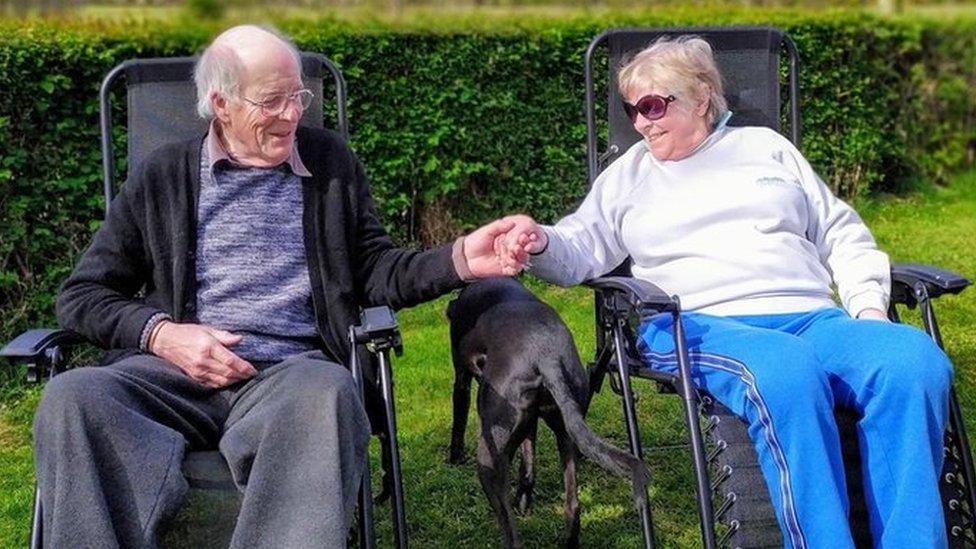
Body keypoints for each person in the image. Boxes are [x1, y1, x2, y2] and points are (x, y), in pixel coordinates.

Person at [34, 25, 518, 549]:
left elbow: (375, 269)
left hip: (290, 377)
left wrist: (460, 259)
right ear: (221, 104)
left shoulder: (330, 163)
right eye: (272, 100)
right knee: (74, 397)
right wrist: (162, 335)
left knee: (330, 393)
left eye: (297, 97)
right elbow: (81, 296)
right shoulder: (164, 175)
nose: (292, 114)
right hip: (171, 378)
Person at [496, 36, 952, 548]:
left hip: (810, 317)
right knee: (786, 369)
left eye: (652, 105)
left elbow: (840, 230)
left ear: (703, 96)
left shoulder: (769, 149)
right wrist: (539, 242)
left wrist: (867, 308)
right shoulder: (629, 175)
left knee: (912, 360)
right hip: (695, 322)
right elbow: (580, 246)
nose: (641, 122)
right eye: (632, 110)